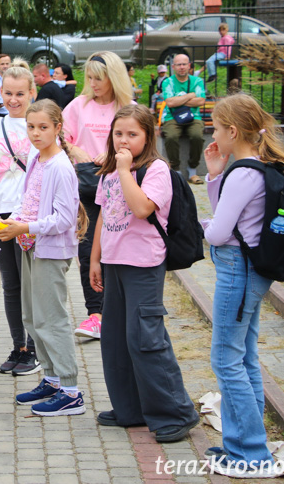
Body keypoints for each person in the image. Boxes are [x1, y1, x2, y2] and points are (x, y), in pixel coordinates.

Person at [90, 104, 199, 442]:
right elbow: (104, 216)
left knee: (145, 339)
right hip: (115, 261)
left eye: (132, 134)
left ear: (148, 136)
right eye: (118, 133)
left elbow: (141, 208)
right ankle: (130, 408)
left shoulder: (156, 169)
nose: (124, 140)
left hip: (144, 264)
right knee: (116, 339)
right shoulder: (110, 170)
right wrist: (95, 260)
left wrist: (125, 170)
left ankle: (176, 412)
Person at [201, 94, 284, 477]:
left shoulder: (243, 174)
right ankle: (241, 444)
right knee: (243, 356)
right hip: (248, 271)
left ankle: (251, 452)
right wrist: (213, 174)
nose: (213, 133)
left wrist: (206, 229)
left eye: (216, 127)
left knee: (225, 359)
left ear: (232, 131)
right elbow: (230, 218)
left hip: (237, 272)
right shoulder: (249, 168)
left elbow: (220, 229)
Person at [3, 99, 88, 416]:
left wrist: (24, 226)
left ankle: (70, 390)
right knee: (33, 318)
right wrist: (8, 223)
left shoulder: (61, 167)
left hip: (49, 250)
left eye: (43, 127)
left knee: (52, 319)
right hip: (28, 244)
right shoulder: (37, 159)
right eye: (31, 126)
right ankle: (52, 380)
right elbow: (28, 201)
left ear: (57, 128)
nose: (36, 133)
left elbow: (64, 220)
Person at [63, 51, 134, 341]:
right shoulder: (78, 106)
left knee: (117, 248)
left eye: (99, 78)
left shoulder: (127, 106)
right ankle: (96, 313)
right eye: (89, 77)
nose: (93, 83)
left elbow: (143, 138)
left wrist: (118, 151)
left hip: (121, 186)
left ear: (113, 78)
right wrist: (74, 150)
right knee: (86, 248)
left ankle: (116, 311)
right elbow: (60, 137)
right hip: (88, 187)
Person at [0, 63, 40, 376]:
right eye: (8, 93)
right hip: (0, 216)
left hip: (28, 217)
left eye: (20, 93)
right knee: (11, 285)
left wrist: (26, 212)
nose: (13, 99)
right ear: (0, 93)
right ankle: (20, 346)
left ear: (32, 93)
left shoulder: (37, 126)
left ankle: (36, 346)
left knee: (31, 284)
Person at [161, 54, 206, 184]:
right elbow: (169, 103)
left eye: (184, 64)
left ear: (189, 66)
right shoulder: (167, 82)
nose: (181, 67)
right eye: (178, 65)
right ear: (173, 67)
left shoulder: (197, 81)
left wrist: (178, 101)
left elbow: (201, 101)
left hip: (193, 117)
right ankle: (177, 171)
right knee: (171, 137)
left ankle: (192, 170)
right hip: (172, 117)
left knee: (197, 136)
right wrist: (191, 95)